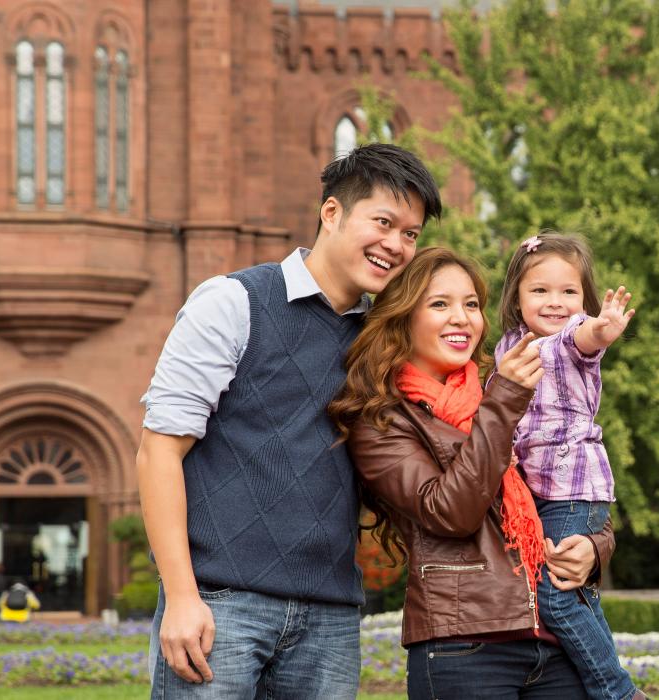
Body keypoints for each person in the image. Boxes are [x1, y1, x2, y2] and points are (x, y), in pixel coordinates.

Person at [136, 143, 442, 697]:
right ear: (331, 213)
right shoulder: (233, 302)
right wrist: (181, 597)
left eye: (411, 234)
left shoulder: (381, 340)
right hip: (220, 605)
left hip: (330, 618)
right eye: (384, 222)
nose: (396, 245)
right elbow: (159, 449)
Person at [332, 247, 618, 699]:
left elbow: (564, 488)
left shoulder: (500, 382)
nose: (462, 318)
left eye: (471, 304)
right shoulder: (383, 420)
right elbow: (451, 514)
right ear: (405, 316)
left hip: (555, 643)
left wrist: (595, 548)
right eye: (440, 304)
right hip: (465, 646)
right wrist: (502, 403)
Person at [491, 231, 640, 700]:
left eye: (568, 291)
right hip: (538, 492)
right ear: (516, 297)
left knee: (556, 596)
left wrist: (602, 327)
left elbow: (585, 338)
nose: (555, 302)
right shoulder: (508, 346)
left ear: (583, 299)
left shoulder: (567, 342)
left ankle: (616, 692)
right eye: (540, 290)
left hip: (573, 485)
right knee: (573, 593)